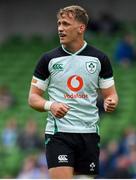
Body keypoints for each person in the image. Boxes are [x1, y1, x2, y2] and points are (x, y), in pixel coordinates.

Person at [28, 5, 118, 179]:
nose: (60, 28)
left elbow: (111, 95)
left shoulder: (100, 59)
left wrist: (111, 101)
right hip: (59, 133)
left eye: (66, 24)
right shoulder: (48, 59)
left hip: (89, 133)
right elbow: (33, 98)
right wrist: (50, 105)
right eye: (59, 24)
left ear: (81, 28)